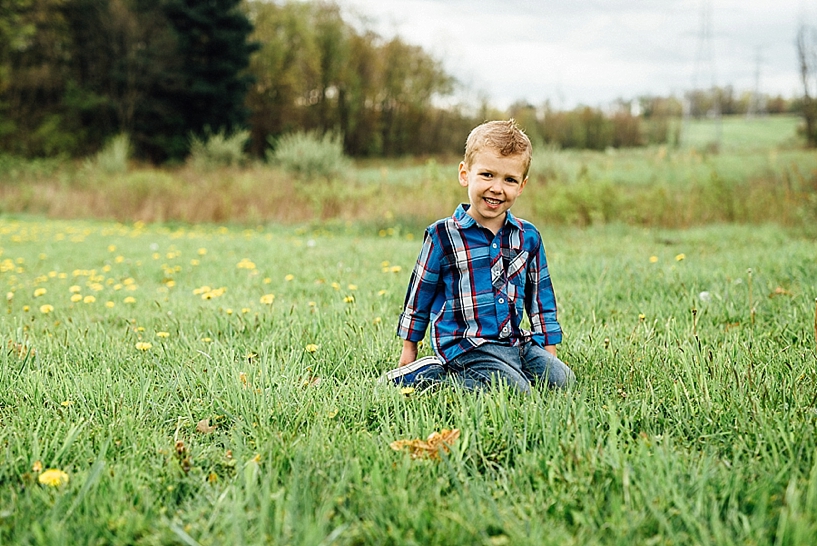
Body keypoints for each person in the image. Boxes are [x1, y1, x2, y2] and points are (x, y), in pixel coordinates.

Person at [382, 119, 574, 394]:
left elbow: (540, 297)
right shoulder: (443, 235)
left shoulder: (527, 236)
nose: (497, 188)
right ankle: (430, 374)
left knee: (562, 380)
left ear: (521, 186)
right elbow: (419, 293)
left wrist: (549, 352)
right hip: (464, 344)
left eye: (509, 180)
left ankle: (506, 369)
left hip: (513, 342)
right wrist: (409, 346)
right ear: (465, 174)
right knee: (517, 391)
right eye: (487, 175)